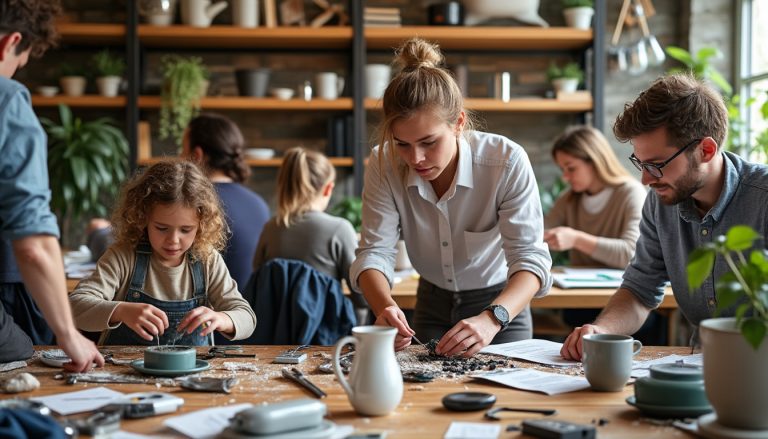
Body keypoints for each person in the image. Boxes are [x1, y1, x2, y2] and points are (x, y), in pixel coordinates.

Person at [350, 38, 552, 357]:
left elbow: (530, 259)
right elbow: (374, 252)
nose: (415, 158)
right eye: (402, 144)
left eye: (429, 142)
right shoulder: (383, 162)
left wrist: (492, 319)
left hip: (501, 307)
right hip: (431, 302)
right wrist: (384, 307)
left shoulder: (506, 161)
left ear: (458, 123)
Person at [560, 73, 768, 361]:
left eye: (657, 165)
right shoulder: (660, 203)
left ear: (706, 150)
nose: (645, 180)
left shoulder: (763, 199)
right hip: (700, 367)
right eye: (641, 164)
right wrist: (601, 330)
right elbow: (639, 290)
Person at [0, 0, 103, 371]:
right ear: (10, 43)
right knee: (25, 353)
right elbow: (33, 246)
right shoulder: (7, 99)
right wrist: (69, 334)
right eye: (18, 63)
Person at [69, 159, 257, 345]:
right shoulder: (123, 256)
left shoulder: (207, 259)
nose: (173, 240)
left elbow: (247, 318)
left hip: (193, 365)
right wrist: (121, 311)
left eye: (185, 230)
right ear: (143, 218)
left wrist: (222, 318)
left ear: (201, 225)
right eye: (161, 228)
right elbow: (75, 306)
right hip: (125, 363)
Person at [252, 146, 362, 311]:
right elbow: (362, 298)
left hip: (275, 326)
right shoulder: (339, 229)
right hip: (327, 326)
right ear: (328, 189)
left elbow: (259, 283)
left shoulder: (270, 229)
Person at [182, 113, 270, 289]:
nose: (180, 158)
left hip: (208, 305)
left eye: (183, 151)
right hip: (250, 306)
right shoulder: (260, 205)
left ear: (197, 155)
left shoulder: (190, 203)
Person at [544, 125, 646, 269]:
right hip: (577, 283)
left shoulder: (631, 193)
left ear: (595, 161)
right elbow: (540, 233)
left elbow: (632, 254)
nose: (565, 177)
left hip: (623, 283)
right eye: (562, 169)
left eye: (571, 168)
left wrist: (576, 239)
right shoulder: (569, 199)